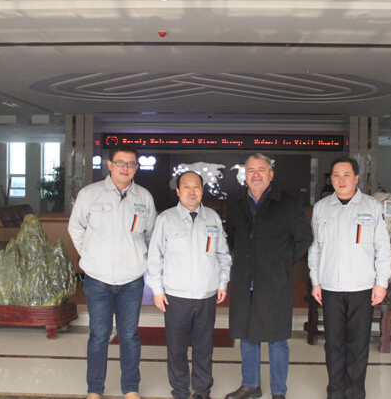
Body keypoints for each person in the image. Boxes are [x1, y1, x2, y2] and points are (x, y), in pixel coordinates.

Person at [68, 144, 157, 399]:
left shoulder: (144, 197)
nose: (125, 168)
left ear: (136, 168)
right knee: (99, 335)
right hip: (98, 280)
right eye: (120, 162)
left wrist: (140, 258)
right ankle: (95, 389)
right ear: (109, 165)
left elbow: (150, 234)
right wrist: (90, 255)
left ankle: (131, 388)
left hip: (132, 281)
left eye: (130, 164)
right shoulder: (90, 194)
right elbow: (76, 228)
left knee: (129, 335)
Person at [224, 153, 313, 399]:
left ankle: (278, 391)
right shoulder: (236, 202)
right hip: (244, 280)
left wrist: (281, 262)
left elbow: (304, 238)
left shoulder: (289, 202)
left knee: (277, 339)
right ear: (245, 175)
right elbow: (233, 237)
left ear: (271, 174)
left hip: (275, 280)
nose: (256, 175)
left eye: (261, 170)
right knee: (247, 335)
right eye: (250, 170)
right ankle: (250, 385)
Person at [308, 156, 391, 399]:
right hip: (330, 288)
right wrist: (315, 281)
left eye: (346, 175)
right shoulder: (321, 208)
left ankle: (355, 393)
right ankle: (335, 393)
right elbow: (315, 248)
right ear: (331, 179)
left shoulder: (372, 207)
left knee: (358, 345)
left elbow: (383, 248)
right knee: (333, 345)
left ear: (356, 178)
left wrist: (381, 283)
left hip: (362, 288)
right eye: (336, 175)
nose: (341, 180)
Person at [147, 171, 232, 399]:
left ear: (202, 190)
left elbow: (223, 255)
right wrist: (157, 290)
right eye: (186, 186)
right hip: (176, 297)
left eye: (196, 186)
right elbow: (154, 257)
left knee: (204, 348)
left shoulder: (213, 218)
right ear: (178, 191)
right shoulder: (166, 219)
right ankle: (180, 391)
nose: (192, 191)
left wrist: (222, 283)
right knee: (177, 349)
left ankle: (202, 391)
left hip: (206, 296)